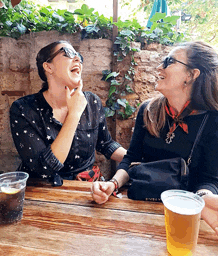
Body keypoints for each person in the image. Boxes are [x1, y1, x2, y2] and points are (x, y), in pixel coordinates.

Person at [91, 41, 218, 236]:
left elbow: (209, 180)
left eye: (169, 61)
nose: (159, 67)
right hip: (139, 213)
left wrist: (202, 198)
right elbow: (132, 158)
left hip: (183, 219)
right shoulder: (148, 110)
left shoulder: (213, 120)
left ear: (191, 75)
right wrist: (112, 184)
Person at [10, 40, 126, 186]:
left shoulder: (92, 102)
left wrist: (137, 160)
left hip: (85, 188)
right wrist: (74, 114)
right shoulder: (24, 109)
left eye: (79, 56)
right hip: (42, 191)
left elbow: (105, 143)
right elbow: (45, 168)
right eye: (69, 53)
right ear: (48, 66)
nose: (77, 59)